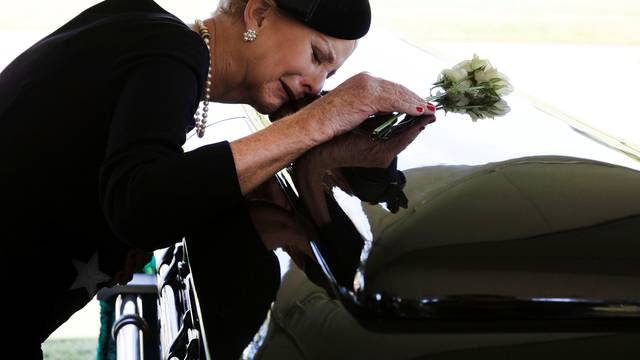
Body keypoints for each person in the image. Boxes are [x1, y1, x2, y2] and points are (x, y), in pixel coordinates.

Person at [0, 0, 434, 358]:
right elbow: (142, 206)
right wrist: (319, 121)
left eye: (331, 77)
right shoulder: (171, 51)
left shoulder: (146, 34)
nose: (316, 86)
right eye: (317, 56)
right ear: (258, 13)